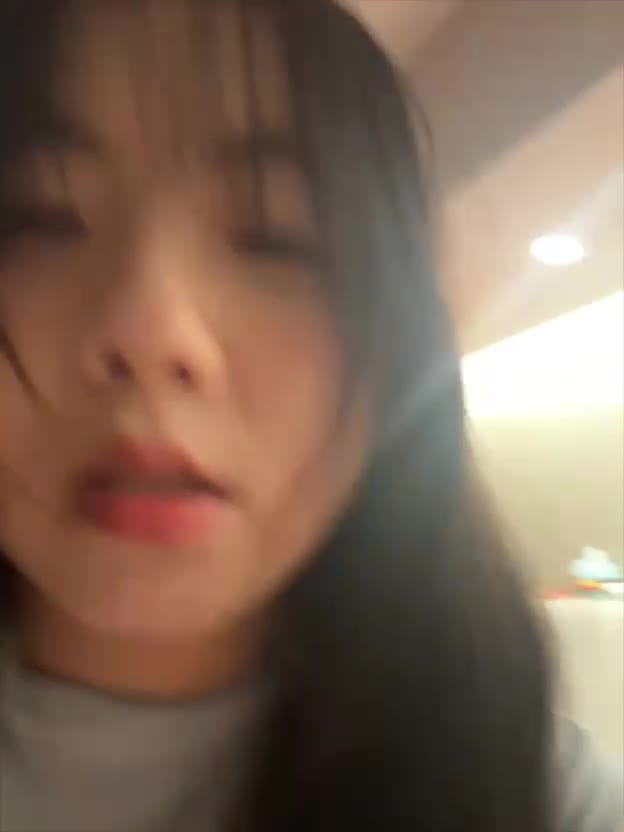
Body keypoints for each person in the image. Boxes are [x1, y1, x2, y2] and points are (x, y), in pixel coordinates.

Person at [0, 2, 620, 831]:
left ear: (397, 348)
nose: (153, 330)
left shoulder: (535, 797)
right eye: (39, 218)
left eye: (276, 237)